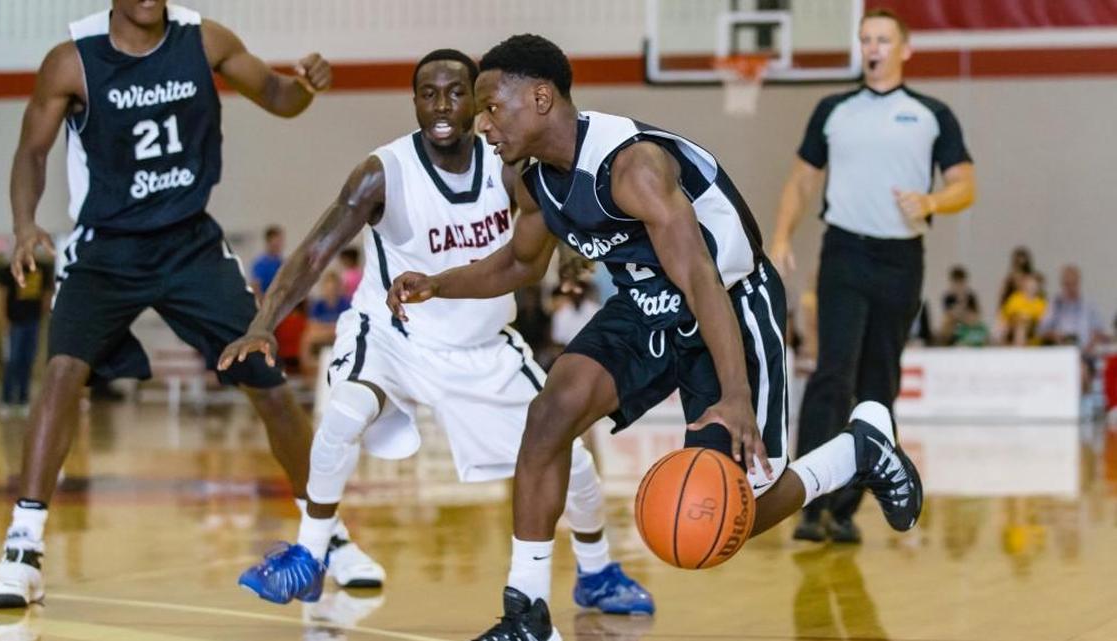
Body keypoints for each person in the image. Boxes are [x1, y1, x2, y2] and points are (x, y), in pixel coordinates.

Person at [387, 34, 923, 641]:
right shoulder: (534, 179)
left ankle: (857, 449)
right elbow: (518, 265)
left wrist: (735, 395)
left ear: (540, 98)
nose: (479, 123)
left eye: (491, 107)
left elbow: (699, 278)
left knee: (729, 520)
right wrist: (438, 282)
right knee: (550, 411)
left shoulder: (632, 166)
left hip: (727, 302)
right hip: (645, 306)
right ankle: (526, 614)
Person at [218, 49, 652, 614]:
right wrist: (264, 324)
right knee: (345, 411)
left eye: (455, 92)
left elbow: (557, 228)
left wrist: (572, 268)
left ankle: (596, 572)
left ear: (477, 100)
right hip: (394, 336)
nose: (442, 104)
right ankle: (309, 556)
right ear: (414, 100)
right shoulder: (383, 171)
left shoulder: (511, 164)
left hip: (483, 346)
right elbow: (315, 251)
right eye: (428, 93)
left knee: (572, 463)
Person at [0, 0, 375, 609]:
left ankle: (326, 536)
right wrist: (26, 223)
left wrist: (306, 89)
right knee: (61, 374)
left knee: (267, 378)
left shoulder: (205, 40)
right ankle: (23, 549)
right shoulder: (72, 63)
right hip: (105, 248)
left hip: (189, 243)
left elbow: (276, 96)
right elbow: (32, 152)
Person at [768, 9, 976, 543]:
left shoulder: (932, 114)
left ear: (905, 49)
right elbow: (801, 180)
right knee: (833, 372)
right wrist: (782, 235)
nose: (873, 47)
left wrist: (932, 200)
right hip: (845, 252)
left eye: (883, 39)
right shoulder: (833, 110)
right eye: (866, 39)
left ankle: (845, 507)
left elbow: (965, 184)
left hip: (902, 259)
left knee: (878, 383)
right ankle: (810, 499)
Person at [0, 260, 52, 417]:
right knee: (12, 361)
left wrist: (41, 314)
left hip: (33, 322)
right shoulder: (9, 269)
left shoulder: (42, 268)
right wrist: (4, 319)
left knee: (27, 361)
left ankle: (23, 399)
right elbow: (2, 295)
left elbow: (47, 294)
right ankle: (6, 400)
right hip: (14, 322)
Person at [251, 225, 285, 296]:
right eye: (276, 242)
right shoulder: (261, 264)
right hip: (265, 301)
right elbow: (256, 287)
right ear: (268, 242)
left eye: (280, 241)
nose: (279, 245)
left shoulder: (282, 262)